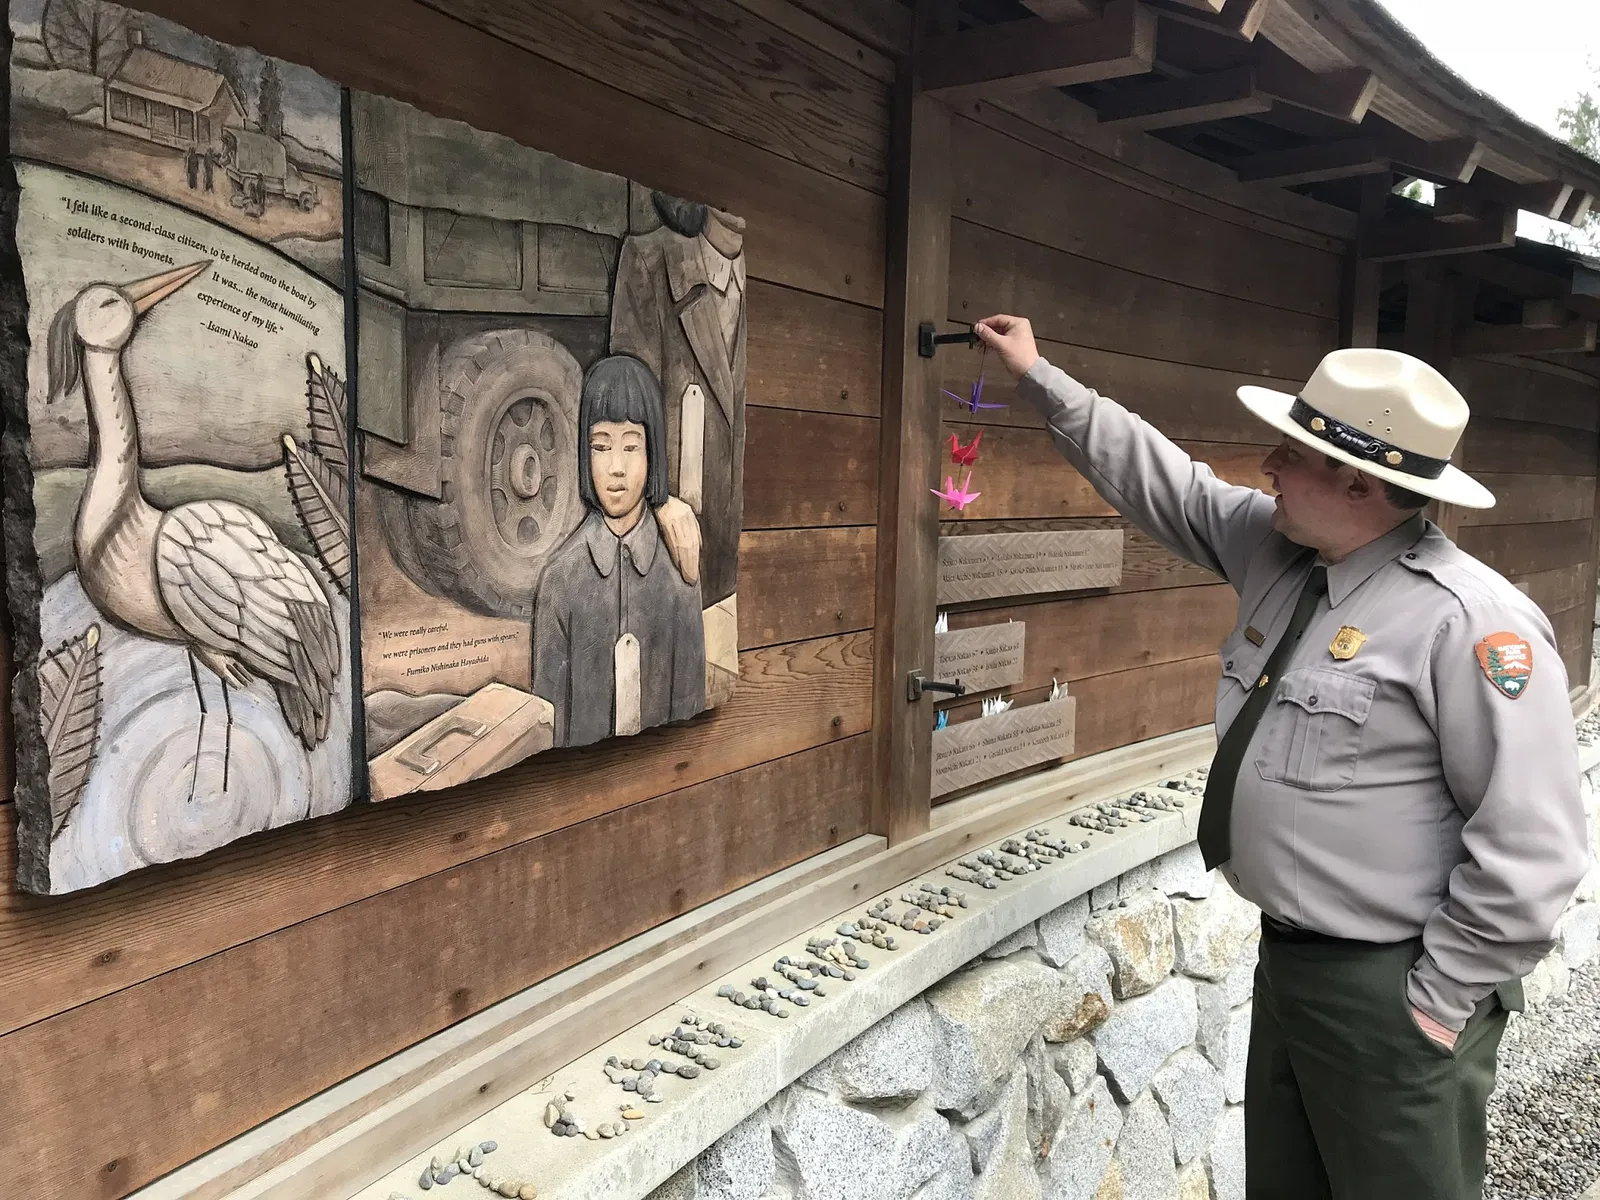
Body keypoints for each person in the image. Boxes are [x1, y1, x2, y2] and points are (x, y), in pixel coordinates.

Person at [974, 313, 1587, 1200]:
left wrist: (1434, 1002)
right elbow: (1165, 483)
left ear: (1356, 481)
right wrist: (1038, 376)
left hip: (1393, 990)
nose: (1268, 467)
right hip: (1293, 965)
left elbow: (1534, 847)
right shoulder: (1280, 550)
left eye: (1292, 454)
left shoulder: (1470, 621)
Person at [533, 354, 705, 749]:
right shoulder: (560, 581)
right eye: (600, 446)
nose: (615, 468)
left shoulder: (679, 568)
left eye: (631, 447)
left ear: (652, 455)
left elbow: (692, 705)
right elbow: (549, 728)